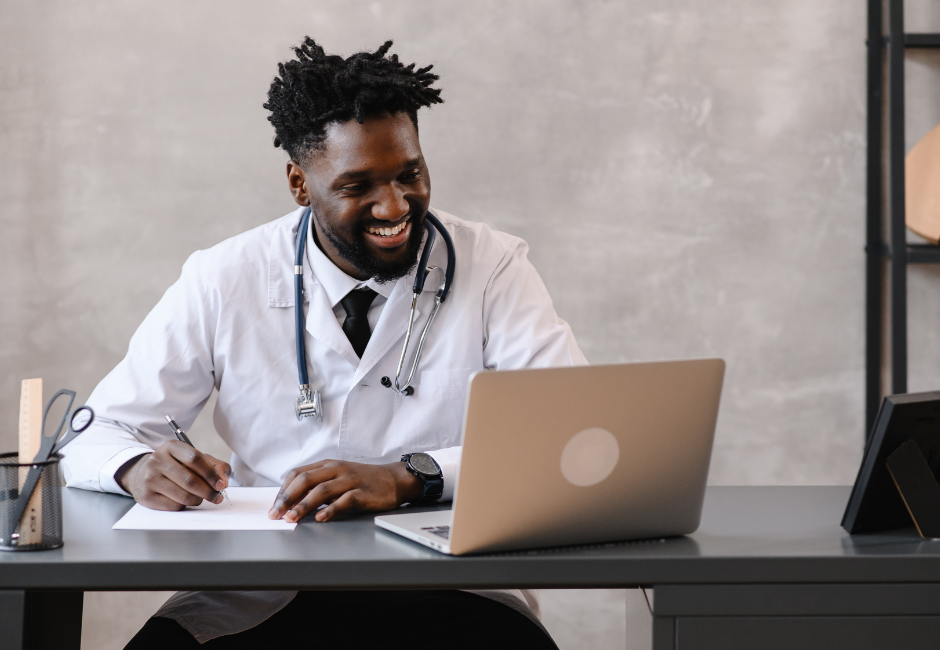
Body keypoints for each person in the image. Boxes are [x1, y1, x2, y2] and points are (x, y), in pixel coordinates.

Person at [62, 37, 584, 649]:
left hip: (450, 584)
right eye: (359, 185)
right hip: (263, 588)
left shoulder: (492, 265)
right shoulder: (224, 276)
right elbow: (91, 435)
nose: (395, 205)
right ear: (299, 183)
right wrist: (134, 466)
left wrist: (410, 477)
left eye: (409, 173)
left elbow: (563, 435)